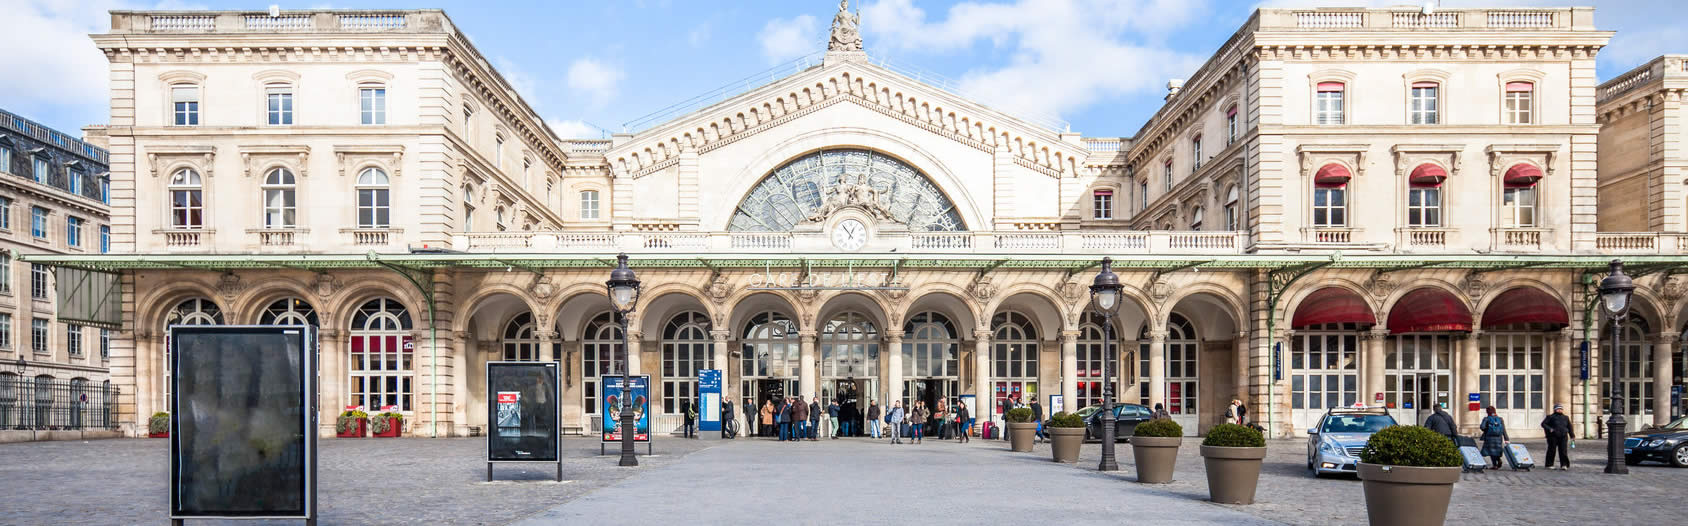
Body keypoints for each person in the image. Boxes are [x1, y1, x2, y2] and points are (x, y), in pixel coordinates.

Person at [1541, 404, 1574, 470]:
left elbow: (1569, 427)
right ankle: (1549, 464)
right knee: (1551, 450)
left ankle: (1564, 465)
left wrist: (1572, 435)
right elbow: (1543, 424)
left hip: (1563, 436)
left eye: (1561, 409)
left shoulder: (1566, 417)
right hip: (1553, 436)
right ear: (1555, 410)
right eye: (1558, 409)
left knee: (1563, 451)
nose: (1559, 410)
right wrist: (1550, 429)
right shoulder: (1550, 417)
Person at [1479, 405, 1509, 469]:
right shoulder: (1500, 419)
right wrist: (1506, 438)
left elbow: (1482, 427)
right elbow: (1503, 429)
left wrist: (1486, 429)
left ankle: (1494, 465)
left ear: (1487, 412)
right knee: (1496, 450)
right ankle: (1498, 460)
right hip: (1498, 438)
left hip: (1489, 437)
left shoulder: (1486, 419)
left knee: (1491, 451)